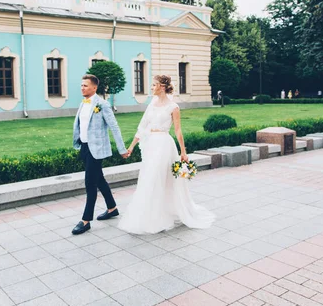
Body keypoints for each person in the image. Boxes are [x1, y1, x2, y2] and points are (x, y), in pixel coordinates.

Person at [117, 75, 215, 234]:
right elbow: (142, 127)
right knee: (148, 178)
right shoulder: (152, 104)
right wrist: (132, 146)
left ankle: (160, 215)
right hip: (150, 145)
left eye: (154, 85)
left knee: (159, 178)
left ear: (162, 87)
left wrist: (183, 151)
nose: (151, 88)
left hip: (164, 145)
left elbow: (178, 130)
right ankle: (148, 214)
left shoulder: (173, 107)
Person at [71, 74, 129, 235]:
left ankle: (85, 220)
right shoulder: (83, 103)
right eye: (81, 85)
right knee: (99, 179)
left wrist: (122, 149)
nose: (82, 88)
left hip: (96, 149)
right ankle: (112, 208)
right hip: (84, 147)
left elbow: (114, 127)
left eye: (85, 85)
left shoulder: (102, 105)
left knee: (90, 183)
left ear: (94, 88)